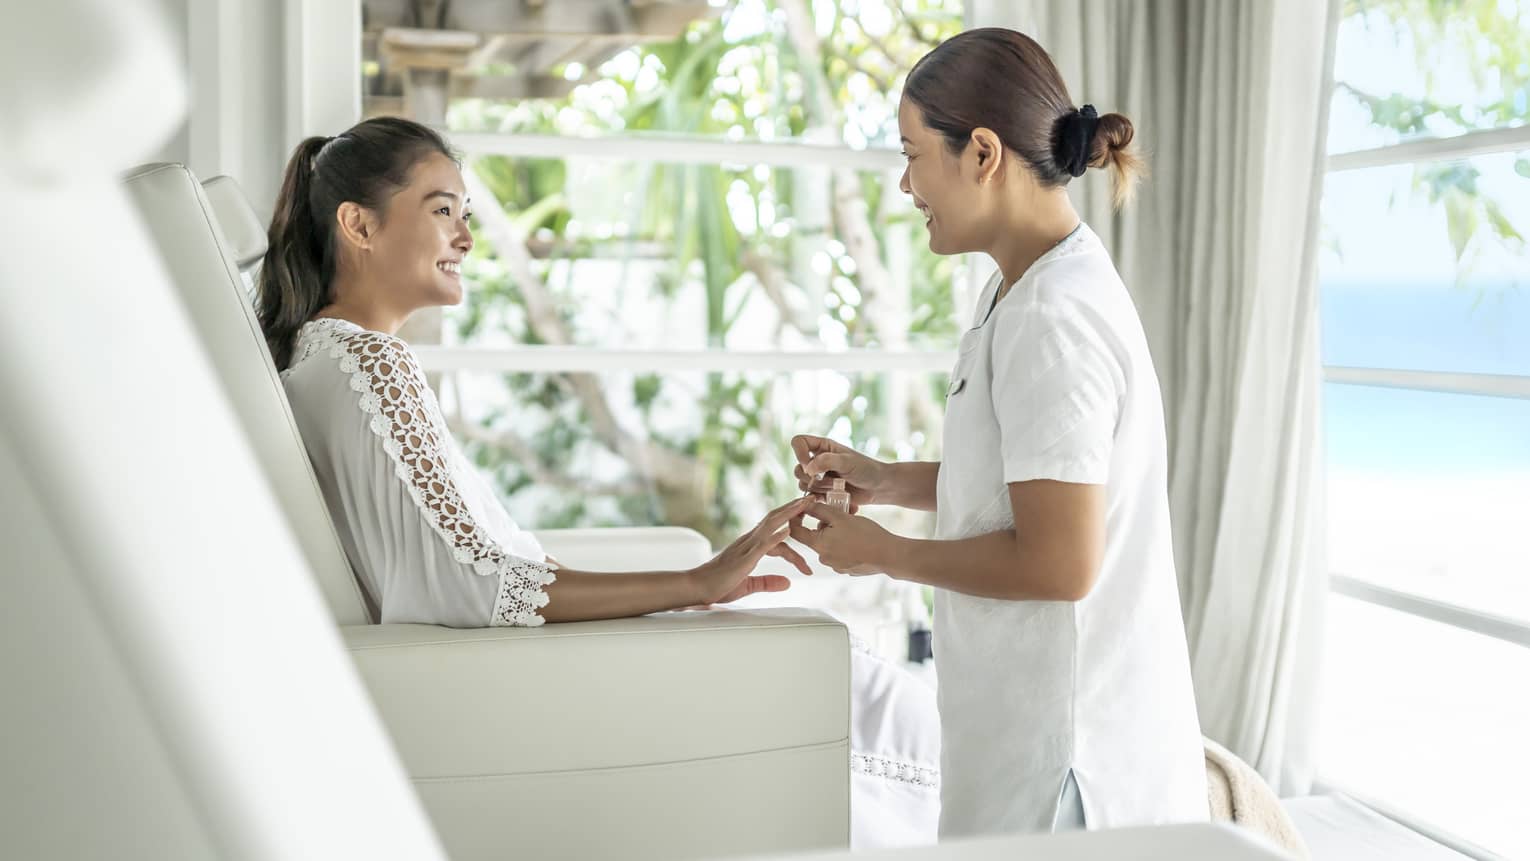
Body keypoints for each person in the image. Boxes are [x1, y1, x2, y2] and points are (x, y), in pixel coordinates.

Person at [256, 116, 939, 848]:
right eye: (442, 209)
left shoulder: (322, 359)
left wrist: (695, 584)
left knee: (858, 684)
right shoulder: (374, 368)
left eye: (467, 215)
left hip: (517, 671)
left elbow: (469, 571)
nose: (465, 237)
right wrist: (695, 581)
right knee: (859, 688)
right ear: (359, 225)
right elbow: (478, 584)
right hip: (517, 689)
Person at [788, 28, 1207, 839]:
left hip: (1070, 775)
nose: (906, 184)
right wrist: (884, 478)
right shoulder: (1019, 292)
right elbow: (1020, 489)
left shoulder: (1053, 317)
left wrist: (880, 550)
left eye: (912, 154)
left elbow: (1060, 558)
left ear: (981, 152)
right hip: (1028, 745)